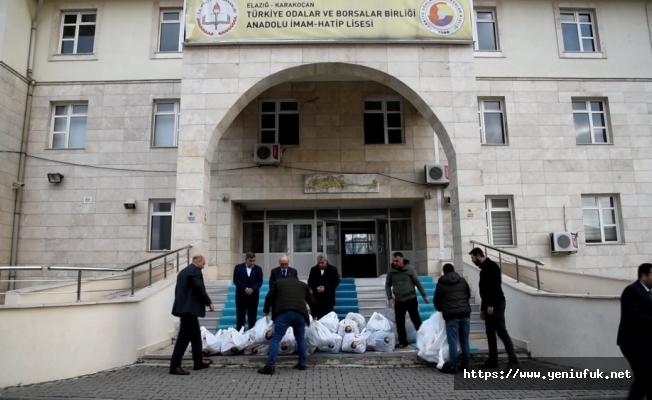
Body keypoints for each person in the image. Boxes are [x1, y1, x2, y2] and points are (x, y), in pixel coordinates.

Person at [258, 275, 317, 375]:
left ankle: (270, 366)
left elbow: (269, 297)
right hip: (300, 314)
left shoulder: (278, 283)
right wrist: (315, 315)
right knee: (300, 338)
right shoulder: (303, 285)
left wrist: (265, 311)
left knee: (276, 339)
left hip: (283, 313)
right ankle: (302, 364)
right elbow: (312, 301)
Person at [469, 247, 518, 368]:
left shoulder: (492, 267)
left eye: (473, 258)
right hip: (489, 304)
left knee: (501, 331)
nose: (472, 260)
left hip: (496, 303)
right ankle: (493, 360)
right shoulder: (484, 269)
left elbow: (494, 287)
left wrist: (491, 305)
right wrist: (482, 309)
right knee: (490, 332)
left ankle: (514, 362)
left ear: (478, 256)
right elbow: (485, 291)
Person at [169, 255, 214, 375]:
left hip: (185, 308)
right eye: (203, 264)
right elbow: (199, 287)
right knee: (183, 338)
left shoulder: (183, 272)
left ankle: (198, 362)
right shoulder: (195, 270)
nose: (203, 267)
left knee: (195, 337)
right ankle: (175, 366)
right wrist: (208, 302)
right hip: (189, 309)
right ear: (198, 262)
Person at [617, 263, 652, 400]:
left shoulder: (648, 292)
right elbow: (634, 316)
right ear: (643, 276)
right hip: (633, 343)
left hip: (646, 343)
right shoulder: (631, 291)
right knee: (644, 376)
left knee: (646, 378)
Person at [385, 251, 429, 348]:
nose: (395, 263)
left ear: (402, 259)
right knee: (399, 322)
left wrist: (424, 295)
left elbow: (418, 283)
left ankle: (425, 339)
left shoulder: (410, 269)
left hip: (411, 299)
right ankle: (403, 341)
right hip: (399, 301)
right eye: (393, 261)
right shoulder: (391, 271)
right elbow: (388, 285)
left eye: (397, 261)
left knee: (416, 320)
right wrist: (390, 297)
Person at [434, 263, 471, 374]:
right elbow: (468, 295)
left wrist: (441, 309)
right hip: (465, 314)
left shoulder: (441, 283)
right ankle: (465, 366)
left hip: (451, 316)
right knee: (464, 341)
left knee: (453, 342)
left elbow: (437, 300)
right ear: (454, 270)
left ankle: (453, 367)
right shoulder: (462, 281)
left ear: (444, 271)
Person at [233, 252, 264, 331]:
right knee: (240, 316)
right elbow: (236, 280)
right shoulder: (238, 267)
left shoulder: (258, 269)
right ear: (246, 259)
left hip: (253, 296)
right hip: (241, 296)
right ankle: (240, 334)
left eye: (254, 261)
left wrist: (252, 289)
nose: (252, 262)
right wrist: (245, 289)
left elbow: (259, 281)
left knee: (252, 316)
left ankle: (251, 335)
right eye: (250, 261)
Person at [307, 254, 340, 318]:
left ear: (326, 261)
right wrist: (316, 288)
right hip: (317, 299)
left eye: (322, 263)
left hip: (328, 299)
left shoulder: (333, 269)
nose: (320, 264)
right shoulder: (313, 269)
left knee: (328, 318)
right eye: (319, 263)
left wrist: (325, 288)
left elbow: (336, 282)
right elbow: (310, 282)